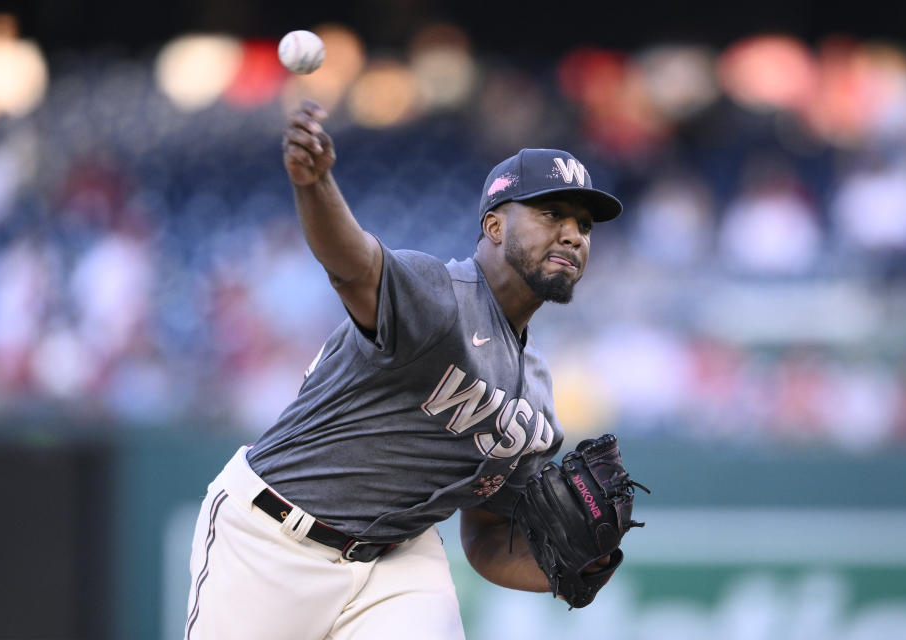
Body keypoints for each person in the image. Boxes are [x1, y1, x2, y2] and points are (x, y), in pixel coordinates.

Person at [183, 100, 624, 640]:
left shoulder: (536, 396)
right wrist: (315, 185)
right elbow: (352, 265)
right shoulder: (437, 295)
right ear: (493, 225)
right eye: (550, 214)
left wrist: (571, 569)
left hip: (397, 563)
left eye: (583, 224)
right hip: (271, 539)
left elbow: (486, 535)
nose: (574, 234)